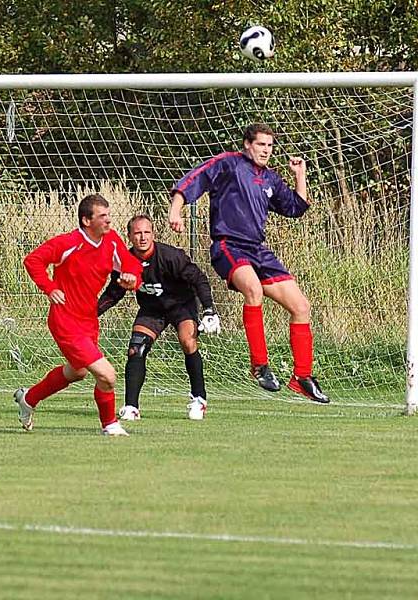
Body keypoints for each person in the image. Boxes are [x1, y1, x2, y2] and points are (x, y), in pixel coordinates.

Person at [168, 123, 329, 403]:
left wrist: (300, 175)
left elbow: (296, 208)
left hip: (257, 250)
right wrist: (176, 211)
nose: (266, 150)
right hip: (228, 245)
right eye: (261, 145)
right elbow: (194, 179)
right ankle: (259, 365)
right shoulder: (229, 163)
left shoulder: (270, 179)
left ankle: (302, 377)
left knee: (301, 306)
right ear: (247, 145)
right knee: (252, 290)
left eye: (269, 146)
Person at [16, 193, 143, 436]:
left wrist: (131, 278)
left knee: (78, 372)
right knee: (107, 374)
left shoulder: (111, 241)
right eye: (102, 216)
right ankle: (110, 425)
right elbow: (33, 260)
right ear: (86, 221)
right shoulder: (68, 243)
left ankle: (28, 399)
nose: (108, 221)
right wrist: (50, 288)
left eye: (109, 215)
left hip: (88, 320)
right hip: (65, 320)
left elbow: (131, 264)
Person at [97, 214, 220, 421]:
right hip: (152, 309)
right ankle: (131, 407)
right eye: (137, 233)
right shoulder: (124, 262)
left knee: (187, 341)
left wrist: (209, 309)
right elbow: (113, 293)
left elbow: (199, 279)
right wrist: (90, 314)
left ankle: (199, 399)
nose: (142, 237)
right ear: (129, 236)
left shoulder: (171, 257)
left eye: (147, 232)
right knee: (136, 349)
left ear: (153, 234)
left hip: (181, 305)